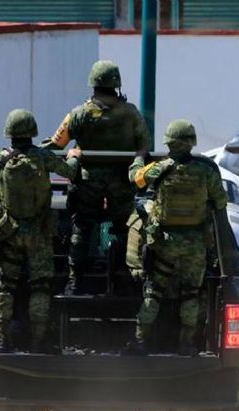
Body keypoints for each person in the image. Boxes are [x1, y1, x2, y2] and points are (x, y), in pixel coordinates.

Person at [42, 60, 150, 294]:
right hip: (121, 183)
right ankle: (119, 279)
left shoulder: (78, 114)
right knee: (120, 228)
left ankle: (75, 281)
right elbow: (144, 146)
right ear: (116, 84)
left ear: (93, 84)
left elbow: (56, 143)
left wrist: (35, 149)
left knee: (81, 229)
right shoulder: (131, 114)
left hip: (87, 183)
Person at [125, 119, 227, 356]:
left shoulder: (161, 168)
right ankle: (187, 344)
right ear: (191, 142)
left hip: (165, 244)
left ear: (169, 142)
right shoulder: (206, 171)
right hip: (195, 246)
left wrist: (140, 157)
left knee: (154, 292)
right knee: (191, 294)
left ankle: (141, 341)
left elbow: (135, 178)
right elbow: (221, 202)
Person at [0, 109, 78, 353]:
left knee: (6, 286)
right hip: (38, 234)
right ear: (32, 132)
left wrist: (2, 200)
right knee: (40, 286)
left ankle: (2, 340)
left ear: (9, 134)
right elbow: (71, 172)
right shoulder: (43, 157)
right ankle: (39, 340)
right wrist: (74, 155)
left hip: (9, 234)